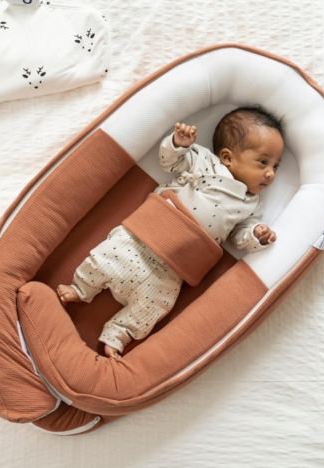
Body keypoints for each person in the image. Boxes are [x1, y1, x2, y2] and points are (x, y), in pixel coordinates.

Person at [57, 105, 284, 359]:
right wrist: (178, 145)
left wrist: (256, 234)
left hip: (176, 266)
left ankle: (119, 332)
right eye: (263, 162)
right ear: (228, 157)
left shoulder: (252, 204)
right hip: (144, 236)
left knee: (158, 303)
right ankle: (82, 288)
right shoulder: (205, 161)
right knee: (107, 256)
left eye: (276, 166)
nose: (270, 174)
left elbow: (239, 235)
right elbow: (169, 162)